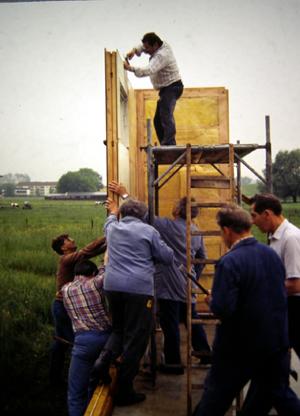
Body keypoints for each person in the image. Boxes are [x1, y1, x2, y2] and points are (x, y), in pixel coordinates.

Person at [193, 204, 300, 416]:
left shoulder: (229, 262)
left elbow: (223, 309)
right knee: (279, 395)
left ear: (226, 230)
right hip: (274, 344)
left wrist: (212, 299)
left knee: (214, 400)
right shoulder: (270, 255)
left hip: (238, 347)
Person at [108, 180, 211, 374]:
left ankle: (173, 364)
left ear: (178, 211)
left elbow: (143, 215)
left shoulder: (167, 226)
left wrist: (124, 195)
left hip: (169, 283)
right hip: (187, 282)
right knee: (191, 317)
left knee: (170, 323)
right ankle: (204, 351)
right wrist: (193, 277)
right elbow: (202, 258)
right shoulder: (197, 231)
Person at [99, 197, 174, 406]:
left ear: (123, 214)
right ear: (142, 215)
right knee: (137, 337)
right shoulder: (148, 231)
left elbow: (110, 219)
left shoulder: (112, 228)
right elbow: (167, 257)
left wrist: (114, 210)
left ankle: (101, 363)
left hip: (112, 286)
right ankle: (124, 390)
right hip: (139, 290)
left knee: (118, 330)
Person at [50, 234, 106, 386]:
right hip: (62, 306)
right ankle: (87, 376)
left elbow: (92, 253)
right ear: (63, 248)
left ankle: (54, 378)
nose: (73, 240)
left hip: (63, 305)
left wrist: (111, 243)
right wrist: (107, 235)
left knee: (61, 342)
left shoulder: (73, 258)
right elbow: (86, 252)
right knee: (76, 342)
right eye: (68, 240)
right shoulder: (65, 259)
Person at [250, 193, 300, 360]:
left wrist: (262, 291)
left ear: (267, 214)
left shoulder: (290, 238)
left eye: (254, 216)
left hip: (295, 307)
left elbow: (295, 285)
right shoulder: (275, 237)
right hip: (284, 305)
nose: (252, 221)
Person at [62, 260, 111, 416]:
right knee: (93, 382)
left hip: (82, 343)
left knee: (75, 393)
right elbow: (107, 268)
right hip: (105, 340)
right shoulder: (96, 283)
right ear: (93, 273)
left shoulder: (65, 289)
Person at [124, 32, 183, 146]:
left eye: (147, 48)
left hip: (173, 87)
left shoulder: (162, 55)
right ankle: (165, 145)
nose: (145, 51)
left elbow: (149, 70)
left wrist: (129, 68)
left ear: (155, 45)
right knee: (157, 120)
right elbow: (143, 46)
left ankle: (170, 144)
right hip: (166, 89)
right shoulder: (159, 45)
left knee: (166, 114)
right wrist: (134, 51)